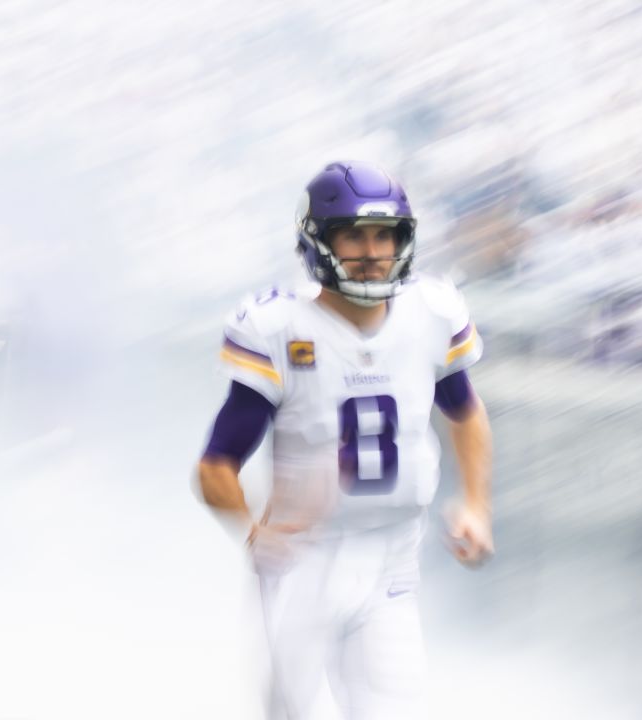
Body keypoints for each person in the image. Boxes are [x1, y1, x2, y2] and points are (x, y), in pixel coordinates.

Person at [196, 161, 495, 719]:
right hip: (304, 561)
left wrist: (476, 504)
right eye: (354, 235)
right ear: (318, 241)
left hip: (393, 558)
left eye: (384, 235)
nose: (372, 250)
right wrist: (254, 532)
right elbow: (216, 466)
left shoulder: (430, 312)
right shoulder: (279, 327)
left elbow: (467, 414)